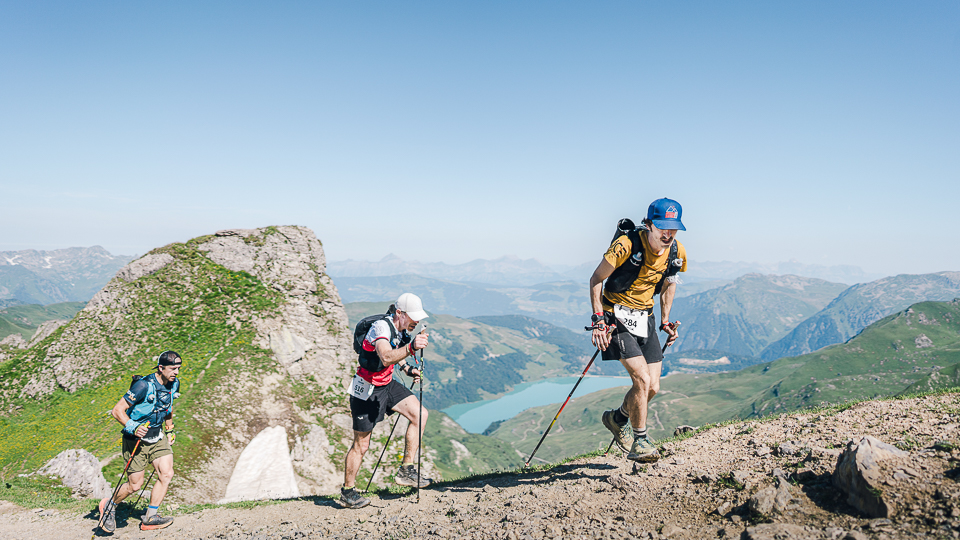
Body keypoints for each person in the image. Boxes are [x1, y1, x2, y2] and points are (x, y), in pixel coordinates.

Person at [589, 198, 687, 463]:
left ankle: (616, 418)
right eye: (662, 228)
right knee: (642, 380)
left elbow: (669, 282)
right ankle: (640, 442)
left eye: (673, 228)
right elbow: (596, 279)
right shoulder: (626, 245)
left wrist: (665, 320)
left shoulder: (677, 251)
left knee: (653, 387)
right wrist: (599, 320)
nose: (668, 234)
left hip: (646, 318)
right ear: (649, 225)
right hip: (615, 317)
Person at [340, 293, 431, 509]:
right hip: (366, 389)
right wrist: (412, 348)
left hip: (387, 384)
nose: (416, 322)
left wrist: (407, 368)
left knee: (421, 414)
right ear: (399, 313)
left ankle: (406, 470)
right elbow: (385, 356)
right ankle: (347, 492)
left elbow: (394, 357)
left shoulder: (400, 330)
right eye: (413, 317)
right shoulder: (381, 328)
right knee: (361, 445)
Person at [98, 351, 182, 532]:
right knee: (134, 485)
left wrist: (170, 428)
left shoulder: (174, 384)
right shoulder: (143, 385)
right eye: (173, 368)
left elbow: (168, 406)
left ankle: (150, 517)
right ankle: (110, 506)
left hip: (157, 436)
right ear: (161, 368)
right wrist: (133, 427)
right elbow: (117, 410)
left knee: (166, 474)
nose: (176, 372)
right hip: (136, 439)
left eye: (178, 369)